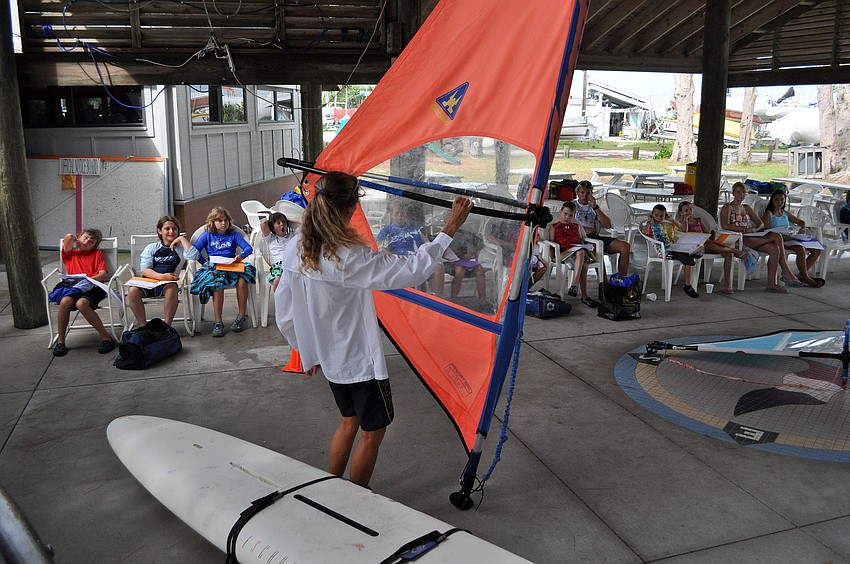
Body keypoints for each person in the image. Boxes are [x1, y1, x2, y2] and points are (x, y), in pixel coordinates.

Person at [274, 171, 473, 487]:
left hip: (329, 359)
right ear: (349, 208)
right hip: (359, 362)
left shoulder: (297, 246)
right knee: (372, 432)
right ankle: (356, 499)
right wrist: (449, 228)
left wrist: (302, 348)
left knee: (348, 420)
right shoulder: (347, 257)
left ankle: (331, 490)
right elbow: (411, 270)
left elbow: (283, 307)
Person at [720, 182, 801, 293]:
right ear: (733, 193)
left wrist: (754, 229)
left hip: (751, 237)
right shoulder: (728, 207)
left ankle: (771, 283)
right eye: (738, 192)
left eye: (743, 192)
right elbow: (725, 225)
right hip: (737, 239)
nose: (741, 195)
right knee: (776, 236)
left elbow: (760, 224)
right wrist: (743, 230)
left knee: (774, 248)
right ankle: (786, 271)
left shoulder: (747, 208)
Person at [187, 206, 256, 337]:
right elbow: (195, 252)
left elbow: (248, 248)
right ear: (212, 222)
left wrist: (240, 257)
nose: (223, 223)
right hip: (216, 267)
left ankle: (241, 316)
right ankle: (218, 321)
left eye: (225, 220)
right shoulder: (207, 236)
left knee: (242, 281)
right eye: (219, 220)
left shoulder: (234, 235)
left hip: (232, 266)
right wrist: (204, 263)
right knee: (218, 284)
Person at [50, 229, 116, 357]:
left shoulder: (97, 254)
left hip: (93, 286)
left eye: (91, 242)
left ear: (95, 246)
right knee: (65, 301)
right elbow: (68, 237)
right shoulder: (70, 254)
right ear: (79, 237)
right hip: (74, 287)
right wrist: (76, 240)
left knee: (82, 303)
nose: (87, 242)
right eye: (85, 238)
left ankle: (106, 338)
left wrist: (89, 280)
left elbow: (102, 273)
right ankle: (60, 342)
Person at [127, 216, 191, 327]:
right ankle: (143, 326)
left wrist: (182, 239)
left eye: (174, 229)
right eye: (167, 229)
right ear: (159, 231)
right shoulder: (152, 248)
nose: (171, 232)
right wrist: (162, 276)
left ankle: (167, 326)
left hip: (168, 284)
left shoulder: (180, 249)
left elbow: (194, 256)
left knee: (171, 289)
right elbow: (145, 270)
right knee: (132, 291)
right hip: (149, 282)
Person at [676, 201, 747, 295]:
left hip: (705, 242)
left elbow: (708, 233)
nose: (689, 212)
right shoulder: (681, 223)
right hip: (694, 247)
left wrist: (704, 236)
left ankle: (728, 286)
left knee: (727, 254)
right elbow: (684, 232)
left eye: (690, 209)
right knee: (711, 245)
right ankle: (735, 250)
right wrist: (685, 220)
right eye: (686, 210)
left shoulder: (699, 220)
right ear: (681, 213)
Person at [761, 189, 824, 287]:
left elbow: (800, 222)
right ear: (772, 201)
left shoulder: (785, 213)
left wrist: (802, 228)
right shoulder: (769, 214)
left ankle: (801, 275)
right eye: (776, 200)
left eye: (782, 200)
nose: (779, 202)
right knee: (800, 250)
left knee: (817, 250)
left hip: (790, 238)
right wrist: (783, 237)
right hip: (778, 240)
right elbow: (765, 231)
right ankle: (806, 278)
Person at [573, 180, 631, 279]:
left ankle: (621, 280)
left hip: (595, 237)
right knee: (596, 247)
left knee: (625, 247)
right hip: (581, 238)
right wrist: (585, 229)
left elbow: (608, 225)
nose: (585, 195)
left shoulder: (593, 206)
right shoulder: (573, 205)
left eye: (588, 193)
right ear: (577, 193)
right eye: (582, 192)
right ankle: (604, 283)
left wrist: (595, 207)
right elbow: (567, 223)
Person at [548, 201, 599, 307]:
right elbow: (551, 243)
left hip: (577, 254)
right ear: (560, 212)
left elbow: (581, 240)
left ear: (574, 215)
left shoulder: (576, 226)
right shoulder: (555, 226)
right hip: (564, 253)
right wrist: (552, 257)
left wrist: (587, 245)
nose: (567, 217)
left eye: (570, 215)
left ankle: (584, 296)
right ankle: (574, 285)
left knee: (584, 264)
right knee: (581, 252)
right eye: (565, 214)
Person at [644, 204, 700, 298]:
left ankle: (688, 285)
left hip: (673, 248)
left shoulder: (667, 224)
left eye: (661, 215)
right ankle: (688, 286)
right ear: (652, 215)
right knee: (689, 259)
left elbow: (682, 229)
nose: (659, 217)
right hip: (664, 251)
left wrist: (671, 220)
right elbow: (644, 232)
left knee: (689, 257)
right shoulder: (651, 225)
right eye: (656, 215)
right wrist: (650, 222)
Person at [260, 211, 295, 292]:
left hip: (292, 263)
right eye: (278, 223)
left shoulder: (292, 235)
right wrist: (272, 222)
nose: (282, 224)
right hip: (278, 265)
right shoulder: (270, 238)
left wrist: (289, 221)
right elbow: (263, 223)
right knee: (278, 279)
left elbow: (304, 223)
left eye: (284, 222)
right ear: (272, 227)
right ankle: (279, 301)